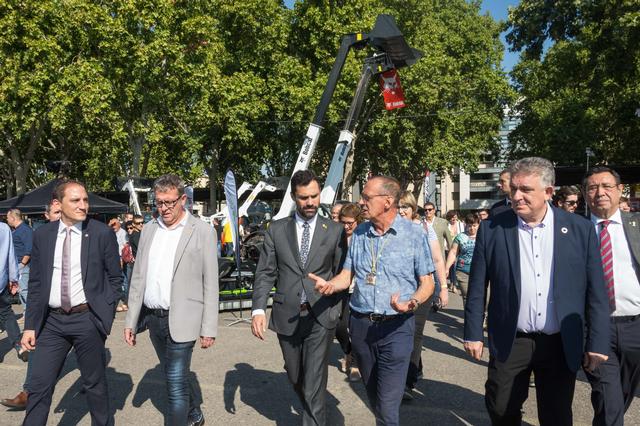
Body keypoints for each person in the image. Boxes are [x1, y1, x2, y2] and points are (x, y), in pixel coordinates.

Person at [464, 157, 610, 426]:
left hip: (559, 342)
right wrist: (473, 332)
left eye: (526, 190)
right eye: (514, 189)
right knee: (500, 408)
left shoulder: (579, 229)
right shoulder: (493, 228)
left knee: (556, 415)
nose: (516, 196)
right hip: (511, 338)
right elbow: (477, 286)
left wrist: (598, 342)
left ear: (548, 192)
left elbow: (596, 291)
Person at [311, 176, 436, 426]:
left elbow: (428, 283)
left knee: (388, 407)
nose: (361, 202)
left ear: (387, 201)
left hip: (397, 327)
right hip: (361, 327)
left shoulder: (413, 233)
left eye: (367, 197)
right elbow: (347, 275)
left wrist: (411, 302)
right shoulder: (360, 232)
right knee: (375, 398)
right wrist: (330, 285)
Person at [21, 180, 122, 426]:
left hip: (87, 319)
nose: (83, 205)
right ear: (58, 204)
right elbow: (36, 283)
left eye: (85, 200)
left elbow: (115, 278)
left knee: (94, 385)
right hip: (51, 323)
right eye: (75, 200)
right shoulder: (43, 235)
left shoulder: (101, 233)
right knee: (39, 385)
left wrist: (104, 314)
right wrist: (30, 326)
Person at [251, 170, 346, 426]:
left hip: (321, 315)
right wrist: (258, 310)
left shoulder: (334, 231)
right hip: (287, 314)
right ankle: (315, 410)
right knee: (296, 376)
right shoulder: (276, 229)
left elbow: (342, 273)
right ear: (294, 197)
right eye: (304, 198)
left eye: (314, 196)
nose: (310, 202)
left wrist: (336, 306)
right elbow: (266, 272)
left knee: (314, 380)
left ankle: (314, 420)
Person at [124, 174, 218, 426]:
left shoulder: (203, 232)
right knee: (173, 373)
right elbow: (138, 278)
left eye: (169, 202)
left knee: (174, 386)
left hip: (184, 320)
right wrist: (130, 321)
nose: (164, 208)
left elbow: (210, 283)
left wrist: (209, 328)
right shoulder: (149, 230)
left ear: (183, 199)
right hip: (154, 320)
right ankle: (194, 412)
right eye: (159, 202)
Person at [582, 166, 640, 426]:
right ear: (585, 194)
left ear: (620, 190)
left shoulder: (636, 226)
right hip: (596, 328)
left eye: (606, 186)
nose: (600, 193)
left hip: (635, 325)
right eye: (593, 188)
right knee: (608, 397)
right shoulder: (575, 230)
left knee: (622, 394)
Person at [2, 200, 61, 411]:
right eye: (56, 212)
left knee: (91, 358)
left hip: (80, 311)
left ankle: (92, 384)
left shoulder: (84, 235)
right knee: (35, 347)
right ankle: (28, 393)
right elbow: (36, 277)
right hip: (47, 307)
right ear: (47, 215)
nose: (60, 216)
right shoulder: (41, 236)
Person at [398, 191, 448, 399]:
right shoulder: (390, 228)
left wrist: (443, 287)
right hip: (399, 289)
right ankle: (415, 366)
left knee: (414, 333)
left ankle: (407, 383)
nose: (401, 211)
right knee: (400, 333)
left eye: (405, 207)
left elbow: (437, 259)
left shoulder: (425, 229)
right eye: (398, 207)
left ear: (413, 210)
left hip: (424, 288)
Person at [334, 203, 363, 382]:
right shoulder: (336, 237)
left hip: (361, 289)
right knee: (339, 326)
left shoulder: (364, 237)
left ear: (358, 221)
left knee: (357, 329)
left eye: (350, 223)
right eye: (343, 222)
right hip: (341, 288)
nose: (346, 226)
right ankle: (348, 351)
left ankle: (356, 365)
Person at [0, 221, 24, 362]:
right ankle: (18, 344)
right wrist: (14, 278)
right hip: (1, 280)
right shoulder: (4, 228)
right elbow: (11, 254)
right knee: (6, 313)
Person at [444, 213, 480, 303]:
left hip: (480, 271)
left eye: (474, 225)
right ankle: (468, 312)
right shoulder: (460, 237)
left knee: (482, 297)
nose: (472, 228)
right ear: (466, 225)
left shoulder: (483, 236)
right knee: (467, 296)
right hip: (463, 271)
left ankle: (482, 311)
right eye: (469, 226)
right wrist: (447, 268)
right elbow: (453, 252)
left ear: (478, 225)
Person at [7, 209, 33, 313]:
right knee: (21, 290)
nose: (7, 220)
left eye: (8, 218)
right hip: (18, 265)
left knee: (24, 290)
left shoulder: (25, 230)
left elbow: (29, 249)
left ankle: (30, 315)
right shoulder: (17, 230)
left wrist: (22, 264)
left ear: (13, 218)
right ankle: (26, 313)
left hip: (23, 266)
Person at [423, 201, 453, 291]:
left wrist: (449, 262)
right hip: (424, 261)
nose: (427, 211)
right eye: (425, 210)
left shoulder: (442, 222)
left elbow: (450, 242)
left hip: (439, 260)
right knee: (426, 286)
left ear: (434, 210)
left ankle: (439, 298)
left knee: (440, 285)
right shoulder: (420, 223)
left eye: (430, 209)